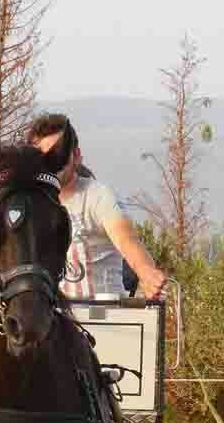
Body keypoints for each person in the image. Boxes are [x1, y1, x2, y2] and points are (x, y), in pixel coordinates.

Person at [26, 113, 167, 301]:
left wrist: (145, 271)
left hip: (102, 319)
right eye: (46, 157)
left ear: (76, 156)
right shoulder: (31, 203)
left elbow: (126, 238)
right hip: (49, 319)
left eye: (58, 155)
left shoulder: (98, 195)